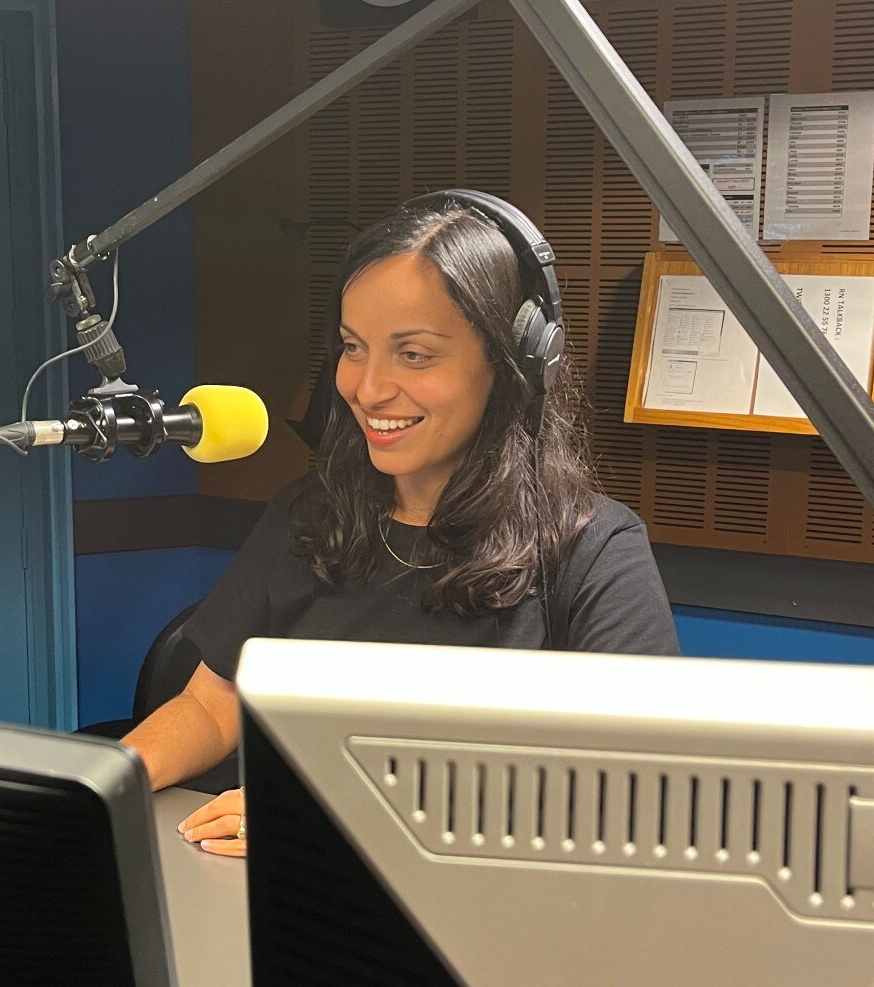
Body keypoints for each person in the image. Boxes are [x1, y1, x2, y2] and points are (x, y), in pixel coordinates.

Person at [122, 195, 678, 857]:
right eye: (354, 348)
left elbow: (632, 789)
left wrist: (330, 813)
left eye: (414, 354)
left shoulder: (592, 550)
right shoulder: (307, 515)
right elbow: (212, 707)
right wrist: (105, 782)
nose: (368, 387)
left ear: (509, 365)